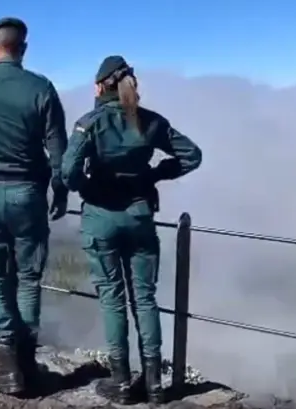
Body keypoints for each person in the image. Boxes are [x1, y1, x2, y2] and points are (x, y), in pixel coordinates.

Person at [60, 55, 202, 405]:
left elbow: (68, 172)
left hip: (101, 218)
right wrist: (154, 174)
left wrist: (89, 189)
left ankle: (121, 383)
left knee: (112, 299)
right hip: (140, 217)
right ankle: (155, 386)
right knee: (145, 298)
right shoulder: (150, 122)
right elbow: (192, 155)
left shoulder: (88, 124)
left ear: (98, 86)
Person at [0, 17, 70, 395]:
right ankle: (26, 365)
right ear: (23, 48)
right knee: (27, 278)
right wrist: (61, 189)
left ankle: (7, 367)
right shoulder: (41, 89)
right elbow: (58, 150)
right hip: (28, 193)